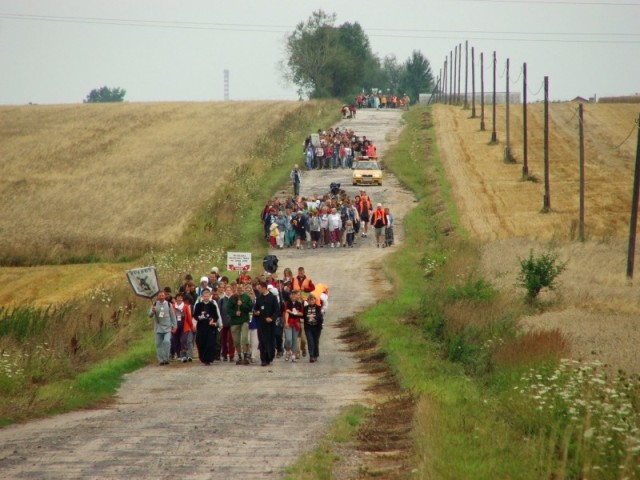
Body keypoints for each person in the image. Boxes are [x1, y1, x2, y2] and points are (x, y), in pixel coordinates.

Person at [253, 280, 280, 366]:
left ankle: (269, 356)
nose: (259, 290)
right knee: (262, 341)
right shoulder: (259, 298)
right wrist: (256, 313)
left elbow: (277, 310)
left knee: (269, 341)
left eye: (260, 288)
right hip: (261, 323)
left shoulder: (272, 298)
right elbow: (256, 309)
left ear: (264, 288)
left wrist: (272, 318)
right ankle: (263, 359)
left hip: (270, 324)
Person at [192, 289, 221, 365]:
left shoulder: (213, 305)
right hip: (201, 326)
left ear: (210, 296)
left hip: (210, 327)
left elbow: (216, 316)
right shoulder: (199, 305)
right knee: (200, 342)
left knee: (210, 342)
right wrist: (198, 318)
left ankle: (208, 359)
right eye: (205, 296)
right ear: (202, 297)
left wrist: (213, 320)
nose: (206, 297)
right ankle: (202, 357)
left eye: (207, 296)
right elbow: (195, 315)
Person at [148, 290, 177, 365]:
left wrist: (175, 326)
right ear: (157, 296)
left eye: (162, 295)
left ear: (165, 296)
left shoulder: (168, 304)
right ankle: (161, 360)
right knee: (158, 344)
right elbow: (149, 315)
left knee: (167, 342)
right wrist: (152, 311)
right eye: (159, 295)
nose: (161, 297)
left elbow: (173, 316)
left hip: (167, 327)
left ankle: (166, 358)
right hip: (158, 328)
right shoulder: (154, 304)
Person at [227, 283, 253, 365]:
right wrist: (235, 313)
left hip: (244, 320)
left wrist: (242, 305)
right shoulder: (232, 298)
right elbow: (228, 309)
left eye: (241, 288)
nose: (240, 289)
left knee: (244, 338)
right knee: (236, 340)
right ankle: (239, 356)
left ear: (243, 288)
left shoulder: (247, 297)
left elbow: (249, 308)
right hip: (235, 322)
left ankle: (245, 356)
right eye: (238, 288)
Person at [173, 293, 195, 363]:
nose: (179, 299)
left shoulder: (185, 306)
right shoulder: (173, 306)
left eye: (180, 298)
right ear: (176, 299)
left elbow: (188, 317)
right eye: (178, 298)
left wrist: (191, 326)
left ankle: (184, 355)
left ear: (182, 299)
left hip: (184, 326)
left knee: (183, 340)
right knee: (176, 341)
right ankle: (179, 356)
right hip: (176, 326)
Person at [283, 289, 304, 362]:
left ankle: (293, 354)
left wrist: (295, 313)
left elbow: (301, 313)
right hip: (289, 322)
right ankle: (288, 350)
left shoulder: (299, 304)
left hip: (296, 323)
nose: (293, 296)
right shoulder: (287, 303)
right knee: (288, 339)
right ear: (290, 296)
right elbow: (286, 312)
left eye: (295, 295)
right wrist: (286, 322)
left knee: (295, 339)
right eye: (292, 295)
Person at [303, 294, 324, 363]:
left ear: (315, 300)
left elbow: (320, 316)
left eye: (313, 299)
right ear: (308, 301)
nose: (311, 301)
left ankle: (315, 355)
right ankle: (311, 356)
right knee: (310, 341)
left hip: (316, 327)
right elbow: (304, 315)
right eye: (310, 300)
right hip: (308, 327)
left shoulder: (318, 308)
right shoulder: (305, 308)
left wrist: (314, 317)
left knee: (315, 341)